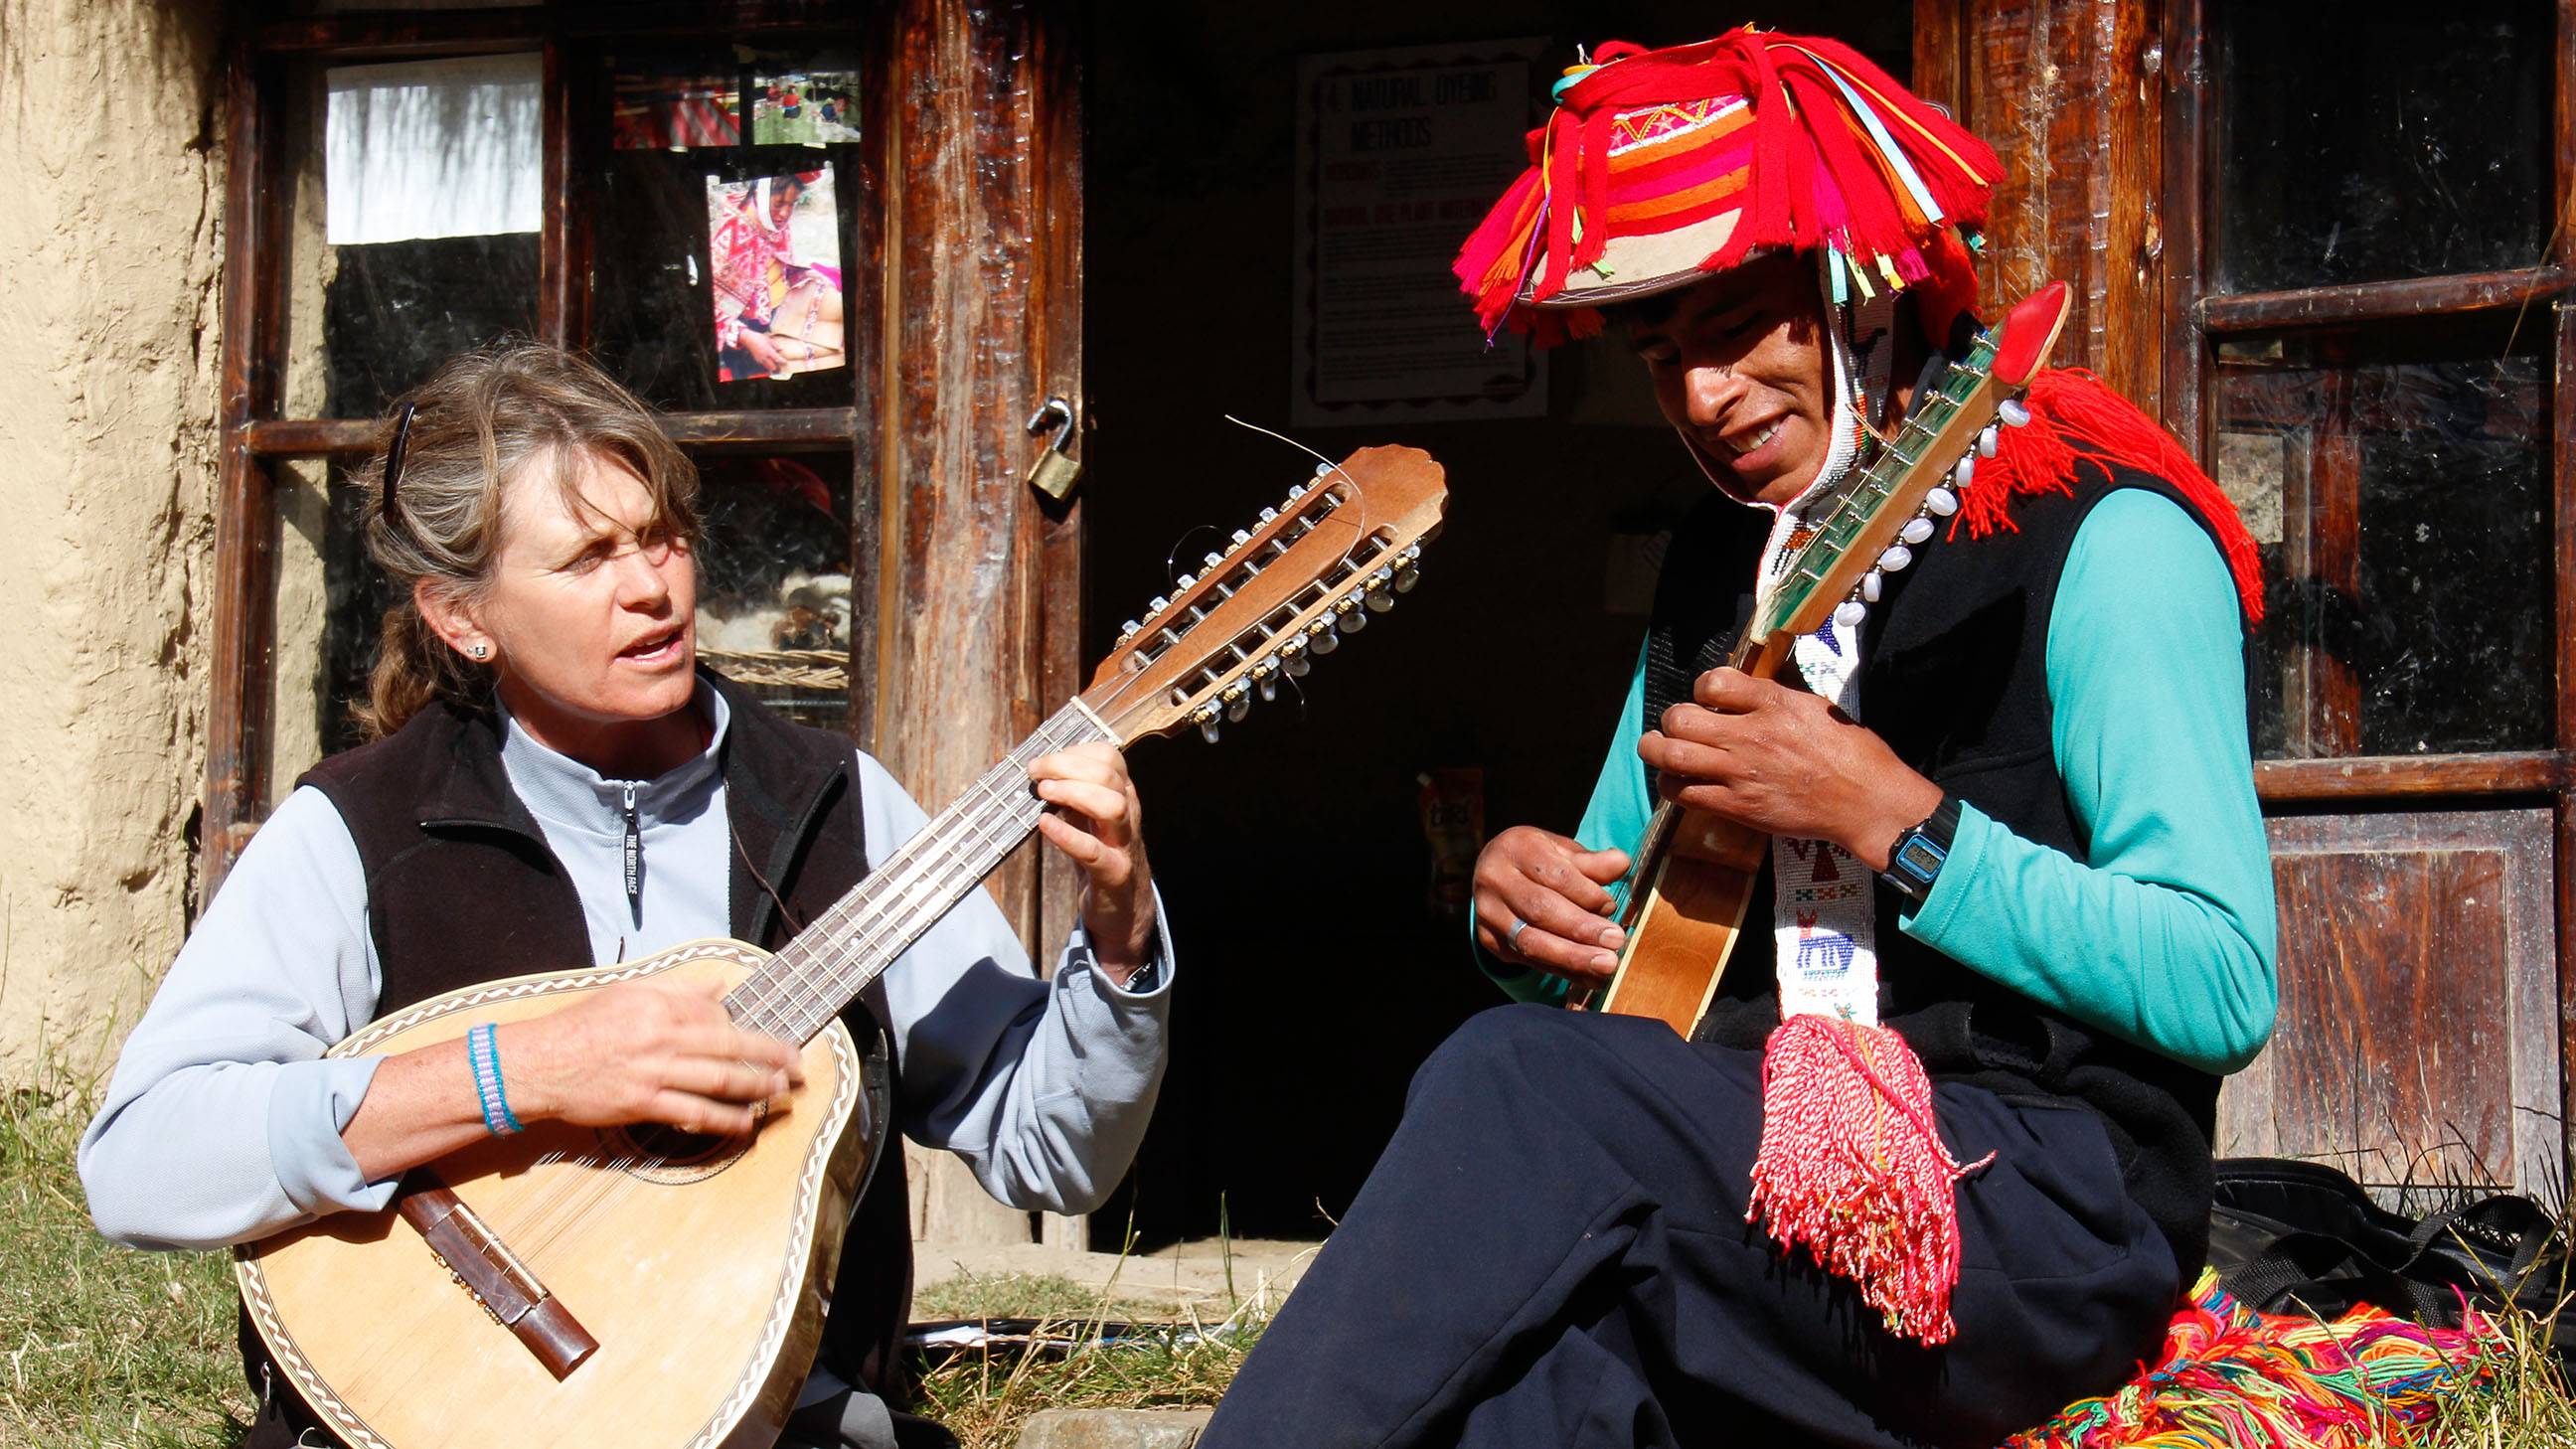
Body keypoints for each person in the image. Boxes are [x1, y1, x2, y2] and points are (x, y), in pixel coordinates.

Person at [1196, 29, 2275, 1449]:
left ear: (1861, 293)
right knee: (1541, 1374)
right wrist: (1517, 918)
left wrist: (1898, 821)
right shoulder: (1719, 573)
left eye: (1736, 334)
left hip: (2041, 1211)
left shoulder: (2112, 541)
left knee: (1512, 1085)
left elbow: (2222, 982)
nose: (1704, 400)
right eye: (1664, 357)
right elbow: (1622, 966)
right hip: (1762, 1180)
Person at [80, 346, 1175, 1449]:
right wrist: (522, 1074)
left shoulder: (832, 806)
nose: (650, 586)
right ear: (464, 617)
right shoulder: (361, 830)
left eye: (660, 536)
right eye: (588, 557)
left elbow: (1057, 1154)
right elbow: (140, 1165)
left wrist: (1119, 935)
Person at [713, 170, 844, 380]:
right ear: (760, 194)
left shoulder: (774, 225)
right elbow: (712, 310)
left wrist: (805, 274)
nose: (785, 213)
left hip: (782, 310)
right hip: (749, 334)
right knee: (823, 358)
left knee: (842, 314)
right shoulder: (732, 234)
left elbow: (780, 266)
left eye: (792, 204)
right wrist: (747, 337)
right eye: (779, 203)